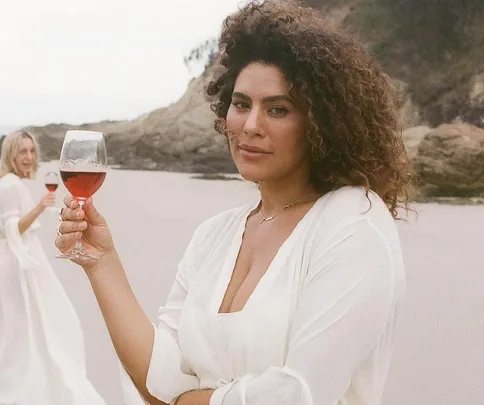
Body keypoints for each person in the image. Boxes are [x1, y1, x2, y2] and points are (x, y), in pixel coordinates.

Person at [56, 1, 414, 404]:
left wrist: (182, 401)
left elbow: (297, 395)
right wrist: (102, 262)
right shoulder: (215, 234)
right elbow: (159, 378)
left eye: (278, 109)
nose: (250, 125)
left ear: (322, 124)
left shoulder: (353, 223)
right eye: (241, 104)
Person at [0, 130, 107, 405]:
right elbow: (10, 229)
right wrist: (40, 207)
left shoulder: (12, 183)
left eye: (31, 151)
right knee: (24, 330)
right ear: (10, 154)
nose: (28, 157)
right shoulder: (10, 185)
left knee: (26, 330)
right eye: (21, 151)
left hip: (20, 264)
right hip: (15, 268)